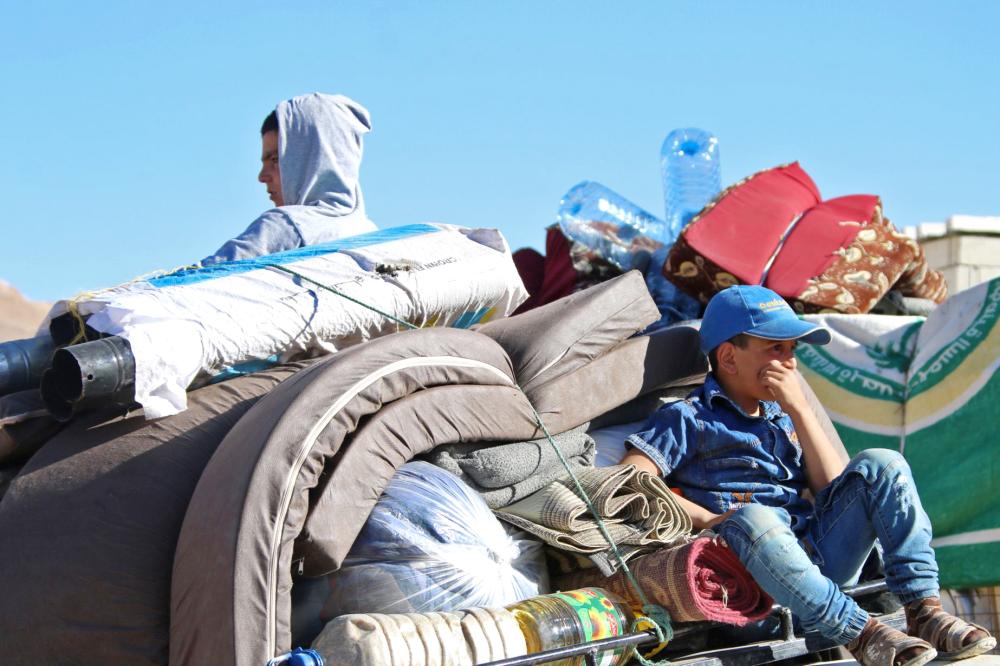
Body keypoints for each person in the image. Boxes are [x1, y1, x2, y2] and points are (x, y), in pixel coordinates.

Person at [619, 285, 995, 666]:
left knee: (884, 463)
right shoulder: (689, 417)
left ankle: (924, 610)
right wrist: (713, 520)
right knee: (755, 517)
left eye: (792, 351)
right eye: (775, 349)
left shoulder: (782, 415)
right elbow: (632, 477)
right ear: (729, 358)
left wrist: (799, 409)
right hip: (751, 584)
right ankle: (861, 634)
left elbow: (834, 489)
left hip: (817, 562)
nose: (790, 363)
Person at [201, 92, 377, 265]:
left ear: (313, 159)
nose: (262, 177)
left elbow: (192, 282)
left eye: (276, 160)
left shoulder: (287, 227)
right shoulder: (377, 242)